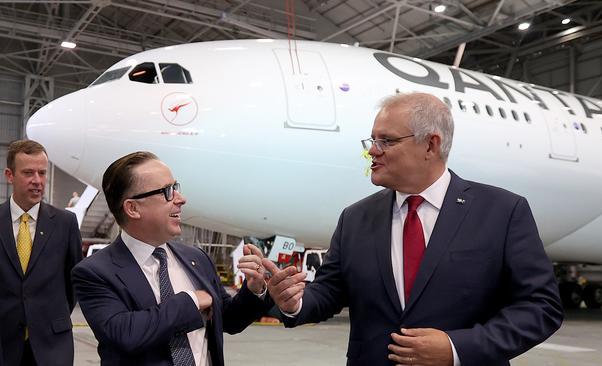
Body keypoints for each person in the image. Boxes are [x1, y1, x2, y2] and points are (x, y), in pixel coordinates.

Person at [264, 92, 563, 365]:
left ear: (430, 145)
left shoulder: (502, 212)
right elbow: (330, 291)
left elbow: (540, 307)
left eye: (387, 141)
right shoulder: (355, 219)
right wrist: (296, 302)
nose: (372, 152)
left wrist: (455, 348)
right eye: (372, 140)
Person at [71, 151, 270, 366]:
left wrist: (254, 290)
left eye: (176, 188)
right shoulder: (94, 272)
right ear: (133, 208)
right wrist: (191, 301)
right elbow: (126, 334)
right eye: (167, 191)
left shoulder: (196, 258)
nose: (181, 199)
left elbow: (228, 320)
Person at [0, 139, 83, 366]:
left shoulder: (66, 223)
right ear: (10, 175)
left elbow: (73, 282)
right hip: (4, 343)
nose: (37, 181)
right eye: (28, 173)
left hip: (52, 344)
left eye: (42, 173)